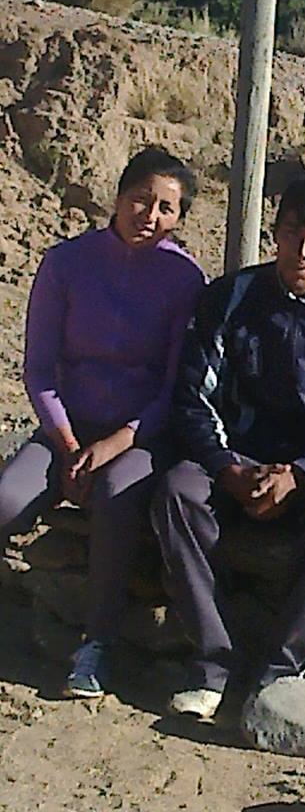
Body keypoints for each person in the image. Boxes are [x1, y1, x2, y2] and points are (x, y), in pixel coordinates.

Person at [152, 173, 305, 721]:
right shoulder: (230, 298)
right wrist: (227, 468)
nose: (302, 252)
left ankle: (282, 669)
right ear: (276, 233)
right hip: (234, 458)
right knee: (176, 492)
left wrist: (301, 472)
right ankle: (213, 663)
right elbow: (193, 397)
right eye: (291, 234)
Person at [0, 147, 205, 698]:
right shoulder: (66, 263)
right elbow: (39, 370)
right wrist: (68, 443)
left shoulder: (185, 278)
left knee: (117, 495)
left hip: (140, 434)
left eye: (166, 208)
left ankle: (98, 643)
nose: (150, 216)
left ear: (179, 218)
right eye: (140, 199)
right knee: (7, 500)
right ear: (117, 196)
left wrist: (118, 442)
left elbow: (174, 386)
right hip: (65, 428)